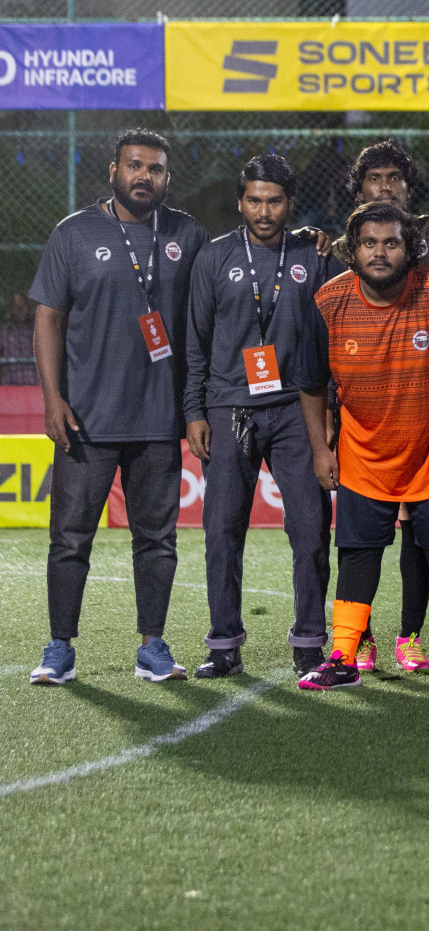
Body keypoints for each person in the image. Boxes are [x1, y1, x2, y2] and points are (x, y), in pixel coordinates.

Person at [293, 201, 429, 691]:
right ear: (352, 249)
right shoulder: (328, 302)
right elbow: (309, 383)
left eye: (391, 242)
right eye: (369, 243)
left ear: (410, 249)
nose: (380, 252)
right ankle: (342, 658)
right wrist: (322, 450)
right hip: (365, 452)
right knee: (358, 552)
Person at [28, 129, 207, 686]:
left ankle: (152, 645)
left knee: (157, 539)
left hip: (159, 418)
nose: (143, 177)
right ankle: (60, 646)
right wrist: (53, 399)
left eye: (154, 169)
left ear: (166, 178)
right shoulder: (74, 233)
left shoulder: (187, 233)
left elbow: (222, 294)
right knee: (70, 537)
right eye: (134, 166)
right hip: (86, 419)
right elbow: (48, 319)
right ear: (112, 171)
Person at [184, 154, 335, 678]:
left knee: (312, 529)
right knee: (222, 529)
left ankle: (310, 641)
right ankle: (224, 643)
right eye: (254, 200)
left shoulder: (313, 256)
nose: (263, 210)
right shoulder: (214, 257)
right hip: (229, 408)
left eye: (273, 201)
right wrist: (194, 411)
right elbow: (195, 345)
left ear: (290, 203)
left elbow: (330, 339)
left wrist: (329, 416)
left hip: (297, 408)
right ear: (240, 201)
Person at [331, 140, 429, 672]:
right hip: (358, 415)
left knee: (423, 531)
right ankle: (362, 638)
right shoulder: (338, 253)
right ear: (359, 190)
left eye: (395, 178)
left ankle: (411, 635)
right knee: (358, 537)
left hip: (421, 413)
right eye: (375, 178)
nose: (386, 187)